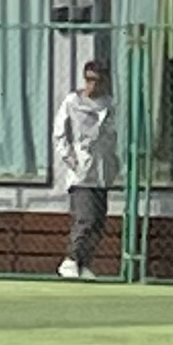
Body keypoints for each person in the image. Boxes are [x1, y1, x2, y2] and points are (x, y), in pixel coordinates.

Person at [51, 59, 114, 280]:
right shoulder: (73, 101)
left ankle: (84, 263)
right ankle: (70, 260)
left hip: (103, 171)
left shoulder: (110, 104)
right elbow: (60, 133)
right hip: (82, 173)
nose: (91, 85)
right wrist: (72, 160)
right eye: (88, 80)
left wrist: (115, 164)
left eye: (97, 80)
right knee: (85, 218)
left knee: (98, 222)